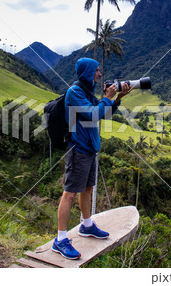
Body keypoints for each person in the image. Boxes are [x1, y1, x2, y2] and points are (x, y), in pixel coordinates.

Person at [51, 58, 130, 260]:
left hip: (90, 150)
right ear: (87, 72)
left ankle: (86, 226)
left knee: (87, 189)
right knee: (69, 194)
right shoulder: (75, 93)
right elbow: (94, 115)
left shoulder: (87, 93)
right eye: (96, 70)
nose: (100, 74)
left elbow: (104, 113)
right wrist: (107, 96)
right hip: (78, 150)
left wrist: (117, 98)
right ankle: (60, 239)